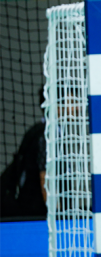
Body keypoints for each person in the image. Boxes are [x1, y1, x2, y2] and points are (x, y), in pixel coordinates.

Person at [0, 87, 46, 218]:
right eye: (71, 101)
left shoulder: (37, 131)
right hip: (35, 214)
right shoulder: (44, 136)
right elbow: (45, 178)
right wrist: (56, 213)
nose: (77, 108)